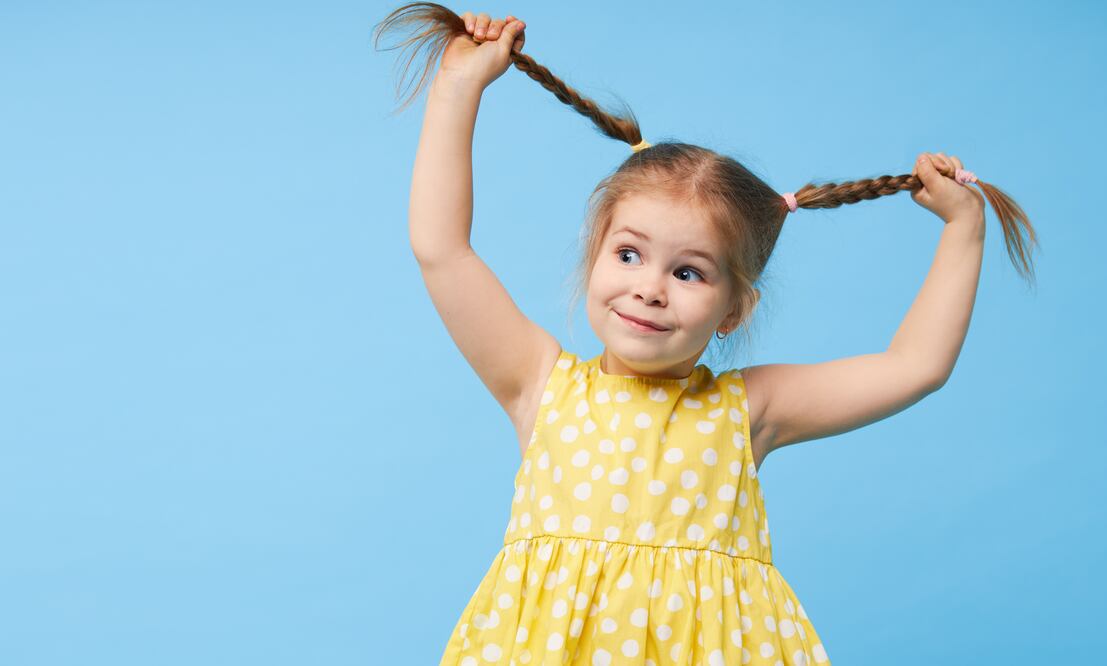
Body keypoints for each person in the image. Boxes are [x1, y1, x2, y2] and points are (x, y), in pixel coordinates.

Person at [373, 4, 1040, 664]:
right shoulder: (539, 384)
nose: (649, 288)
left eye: (688, 272)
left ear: (732, 311)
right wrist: (457, 87)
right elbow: (442, 250)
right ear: (593, 255)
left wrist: (962, 230)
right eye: (628, 254)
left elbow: (913, 365)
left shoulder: (748, 411)